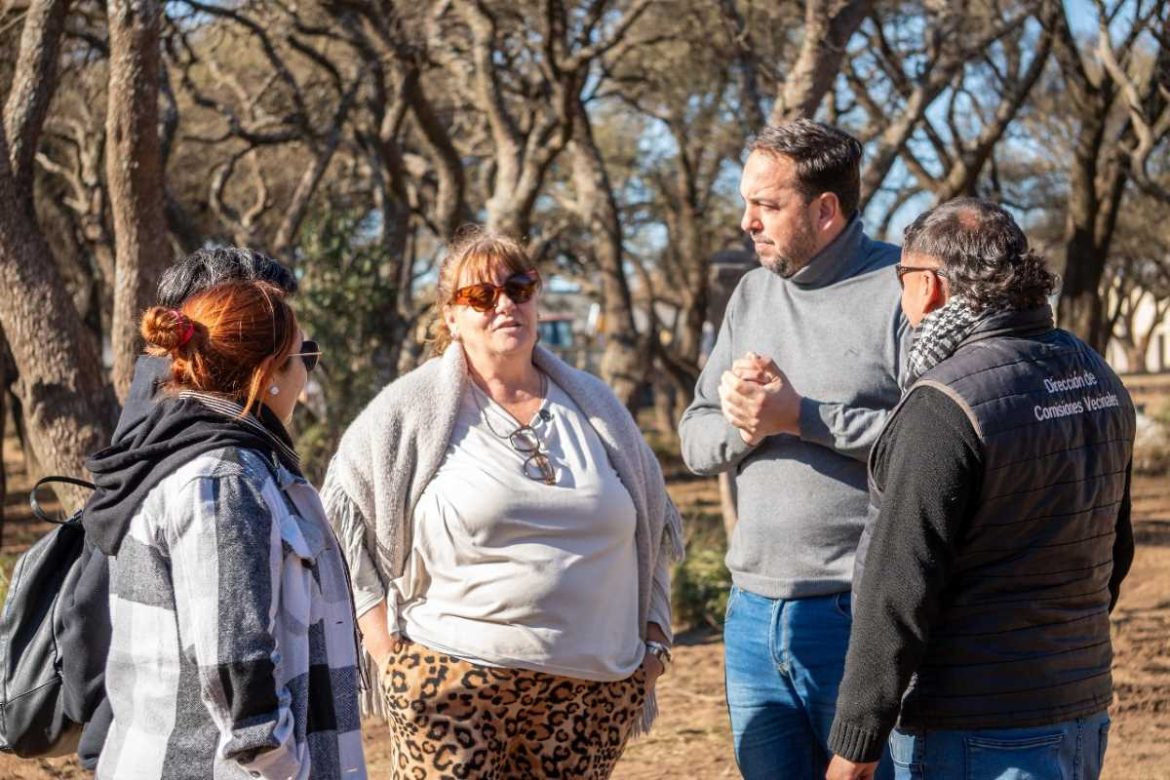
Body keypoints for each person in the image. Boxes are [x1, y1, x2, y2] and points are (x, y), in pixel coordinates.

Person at [322, 228, 684, 779]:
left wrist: (654, 649)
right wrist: (388, 653)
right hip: (452, 687)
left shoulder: (596, 407)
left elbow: (651, 526)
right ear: (450, 317)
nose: (505, 304)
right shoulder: (410, 411)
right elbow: (342, 521)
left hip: (593, 695)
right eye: (481, 295)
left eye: (519, 287)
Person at [826, 198, 1136, 780]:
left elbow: (898, 585)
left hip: (973, 727)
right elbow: (1114, 552)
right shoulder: (1093, 371)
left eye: (901, 276)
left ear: (929, 285)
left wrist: (856, 743)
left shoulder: (944, 404)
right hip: (1078, 704)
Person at [677, 119, 906, 779]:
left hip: (858, 613)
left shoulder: (902, 288)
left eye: (767, 205)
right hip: (750, 612)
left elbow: (935, 443)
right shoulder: (752, 293)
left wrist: (802, 417)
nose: (747, 221)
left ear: (825, 210)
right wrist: (748, 425)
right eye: (746, 202)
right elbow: (695, 440)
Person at [83, 281, 366, 779]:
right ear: (267, 373)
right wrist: (281, 765)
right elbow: (237, 664)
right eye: (305, 356)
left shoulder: (202, 457)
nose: (308, 373)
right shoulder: (224, 479)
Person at [71, 248, 300, 769]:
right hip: (183, 743)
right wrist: (284, 763)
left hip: (145, 730)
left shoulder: (168, 416)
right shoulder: (211, 457)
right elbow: (234, 661)